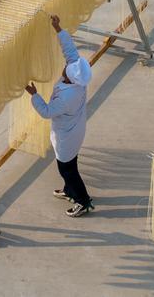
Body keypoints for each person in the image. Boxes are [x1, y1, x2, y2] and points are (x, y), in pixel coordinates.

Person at [25, 14, 94, 217]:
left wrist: (34, 95)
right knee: (69, 164)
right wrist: (58, 28)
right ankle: (68, 190)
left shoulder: (68, 97)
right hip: (73, 130)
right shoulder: (75, 78)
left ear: (68, 75)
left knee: (67, 169)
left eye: (66, 67)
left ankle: (82, 201)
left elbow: (47, 112)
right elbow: (71, 52)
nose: (65, 64)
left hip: (67, 136)